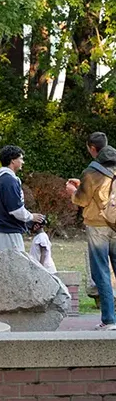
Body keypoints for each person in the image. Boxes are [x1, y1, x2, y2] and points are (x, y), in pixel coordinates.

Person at [65, 132, 116, 330]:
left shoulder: (91, 172)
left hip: (98, 226)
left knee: (101, 271)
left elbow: (83, 200)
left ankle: (110, 320)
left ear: (92, 148)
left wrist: (73, 192)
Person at [0, 145, 44, 253]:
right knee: (13, 266)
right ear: (13, 160)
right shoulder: (8, 181)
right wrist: (31, 217)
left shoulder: (2, 179)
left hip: (4, 229)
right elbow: (15, 209)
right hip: (9, 231)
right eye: (21, 158)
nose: (22, 162)